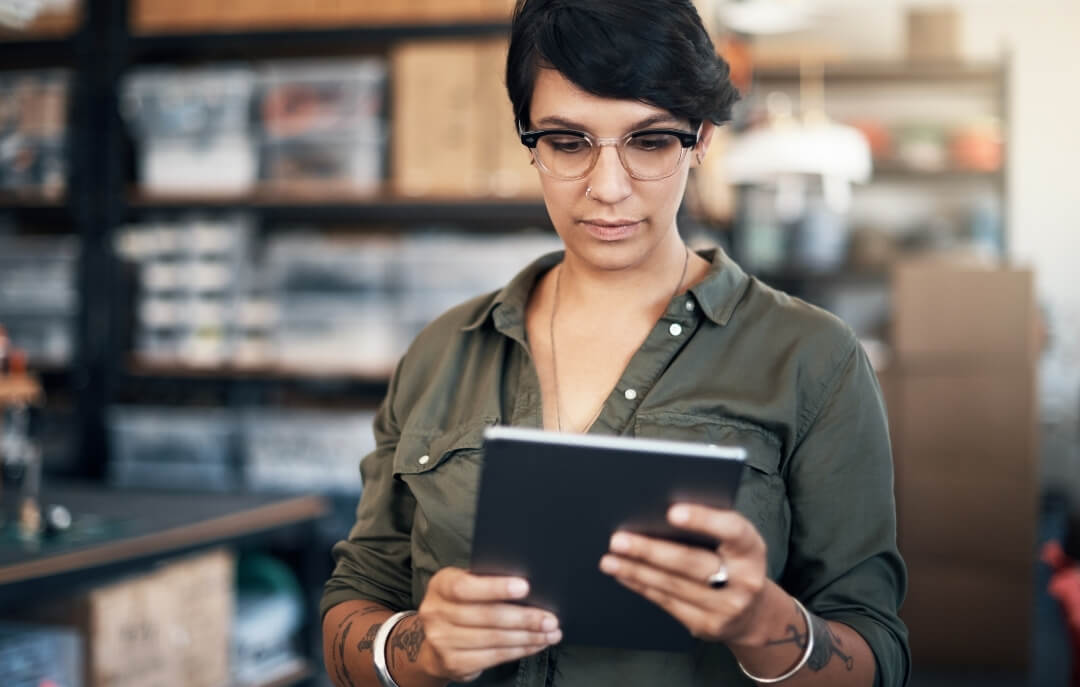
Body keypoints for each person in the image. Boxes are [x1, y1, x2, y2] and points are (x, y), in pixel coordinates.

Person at [321, 1, 909, 685]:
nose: (607, 187)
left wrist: (761, 622)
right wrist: (417, 644)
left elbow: (877, 656)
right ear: (529, 139)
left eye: (650, 140)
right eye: (568, 142)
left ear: (703, 137)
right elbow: (351, 601)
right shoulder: (441, 353)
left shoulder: (814, 360)